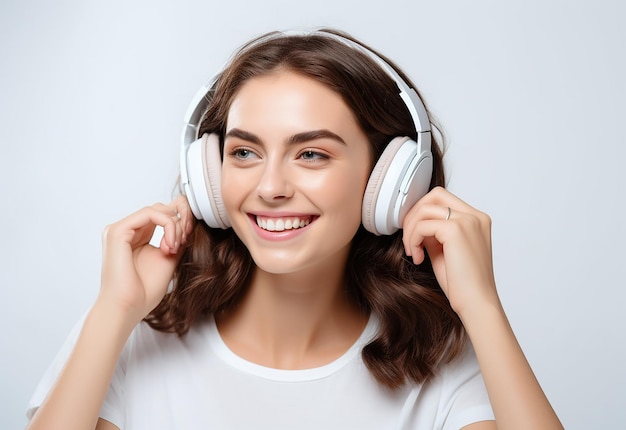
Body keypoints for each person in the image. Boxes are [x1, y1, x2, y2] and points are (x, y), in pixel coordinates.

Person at [25, 29, 563, 430]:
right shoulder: (131, 331)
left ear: (390, 179)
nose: (271, 186)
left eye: (310, 153)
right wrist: (113, 312)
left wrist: (483, 308)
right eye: (244, 152)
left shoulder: (435, 356)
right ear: (208, 175)